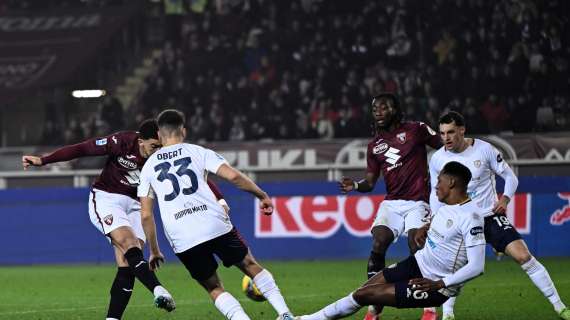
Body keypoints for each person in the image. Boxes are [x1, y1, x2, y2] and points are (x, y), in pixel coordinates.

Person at [137, 109, 295, 320]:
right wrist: (261, 195)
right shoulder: (198, 151)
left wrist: (154, 250)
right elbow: (234, 177)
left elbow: (146, 215)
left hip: (183, 237)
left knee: (213, 287)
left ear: (158, 134)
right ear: (183, 130)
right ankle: (285, 314)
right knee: (250, 265)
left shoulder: (148, 168)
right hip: (214, 223)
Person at [21, 120, 178, 320]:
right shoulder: (121, 142)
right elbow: (83, 148)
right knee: (129, 245)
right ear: (141, 141)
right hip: (107, 198)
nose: (157, 152)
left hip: (137, 204)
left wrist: (219, 198)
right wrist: (43, 161)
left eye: (160, 147)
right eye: (153, 146)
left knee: (128, 263)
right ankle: (158, 289)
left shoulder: (162, 157)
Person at [297, 161, 486, 320]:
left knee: (364, 295)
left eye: (439, 181)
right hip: (417, 263)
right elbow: (442, 223)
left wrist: (440, 284)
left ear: (452, 182)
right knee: (364, 290)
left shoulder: (471, 217)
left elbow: (477, 266)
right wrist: (424, 228)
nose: (435, 185)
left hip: (434, 285)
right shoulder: (445, 205)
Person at [428, 111, 570, 320]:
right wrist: (435, 217)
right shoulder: (438, 158)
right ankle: (448, 314)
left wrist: (504, 200)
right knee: (454, 269)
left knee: (524, 256)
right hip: (459, 221)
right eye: (442, 133)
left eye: (450, 132)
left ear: (462, 130)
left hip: (489, 217)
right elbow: (435, 192)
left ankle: (560, 308)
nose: (446, 138)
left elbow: (510, 177)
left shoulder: (484, 150)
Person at [338, 93, 442, 320]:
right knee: (379, 241)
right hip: (392, 202)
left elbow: (444, 147)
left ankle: (429, 308)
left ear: (395, 109)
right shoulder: (375, 146)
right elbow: (370, 182)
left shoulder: (417, 129)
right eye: (375, 108)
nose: (378, 112)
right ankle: (374, 306)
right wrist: (355, 185)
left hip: (418, 201)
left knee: (417, 244)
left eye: (383, 107)